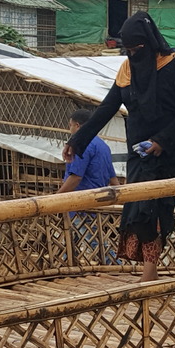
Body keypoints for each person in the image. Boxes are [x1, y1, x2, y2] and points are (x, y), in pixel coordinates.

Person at [71, 13, 175, 281]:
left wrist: (161, 140)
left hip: (167, 154)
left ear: (149, 44)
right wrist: (77, 141)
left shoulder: (174, 65)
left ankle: (149, 273)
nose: (133, 55)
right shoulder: (126, 70)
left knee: (155, 213)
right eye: (128, 50)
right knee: (138, 214)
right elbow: (107, 108)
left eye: (137, 50)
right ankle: (148, 271)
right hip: (138, 155)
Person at [59, 107, 117, 264]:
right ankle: (68, 264)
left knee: (93, 240)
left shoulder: (82, 145)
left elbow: (76, 177)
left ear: (77, 126)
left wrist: (57, 197)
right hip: (100, 200)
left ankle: (113, 265)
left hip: (82, 201)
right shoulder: (103, 146)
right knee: (77, 237)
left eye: (70, 125)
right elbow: (113, 178)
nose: (69, 129)